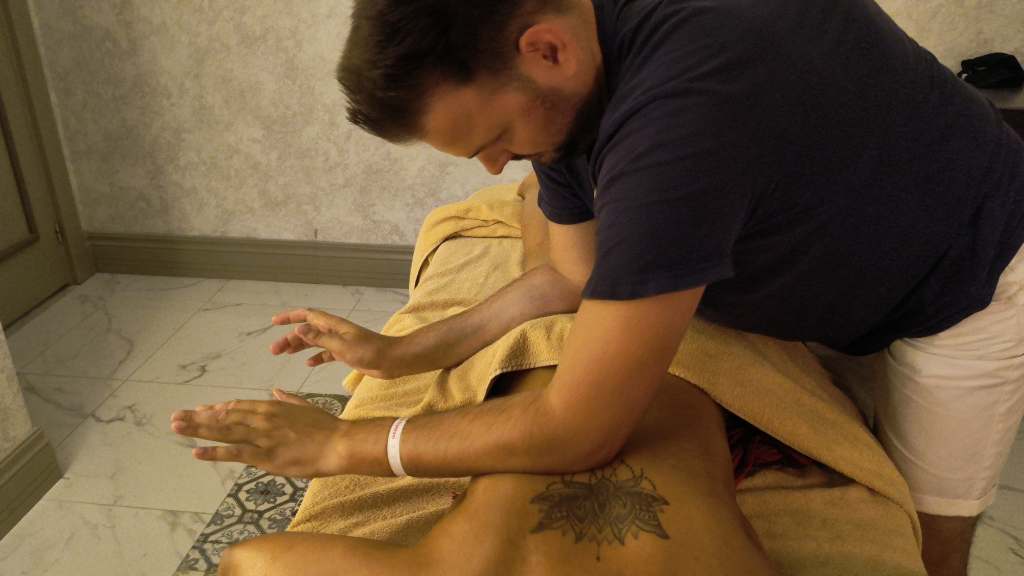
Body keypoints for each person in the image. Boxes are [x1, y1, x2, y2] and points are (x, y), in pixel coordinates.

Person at [171, 1, 1024, 574]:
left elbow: (577, 429)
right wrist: (403, 352)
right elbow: (572, 275)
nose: (495, 165)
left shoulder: (684, 114)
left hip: (969, 276)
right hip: (828, 245)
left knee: (934, 542)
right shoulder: (573, 85)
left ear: (547, 49)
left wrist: (345, 446)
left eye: (494, 137)